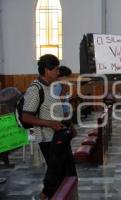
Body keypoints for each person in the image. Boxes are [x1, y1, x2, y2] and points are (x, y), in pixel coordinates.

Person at [21, 54, 77, 199]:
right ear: (47, 70)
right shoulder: (35, 89)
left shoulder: (51, 87)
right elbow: (26, 116)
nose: (59, 72)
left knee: (69, 173)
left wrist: (69, 125)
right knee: (56, 175)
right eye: (56, 69)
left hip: (60, 135)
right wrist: (50, 124)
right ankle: (42, 197)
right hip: (48, 139)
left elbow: (58, 109)